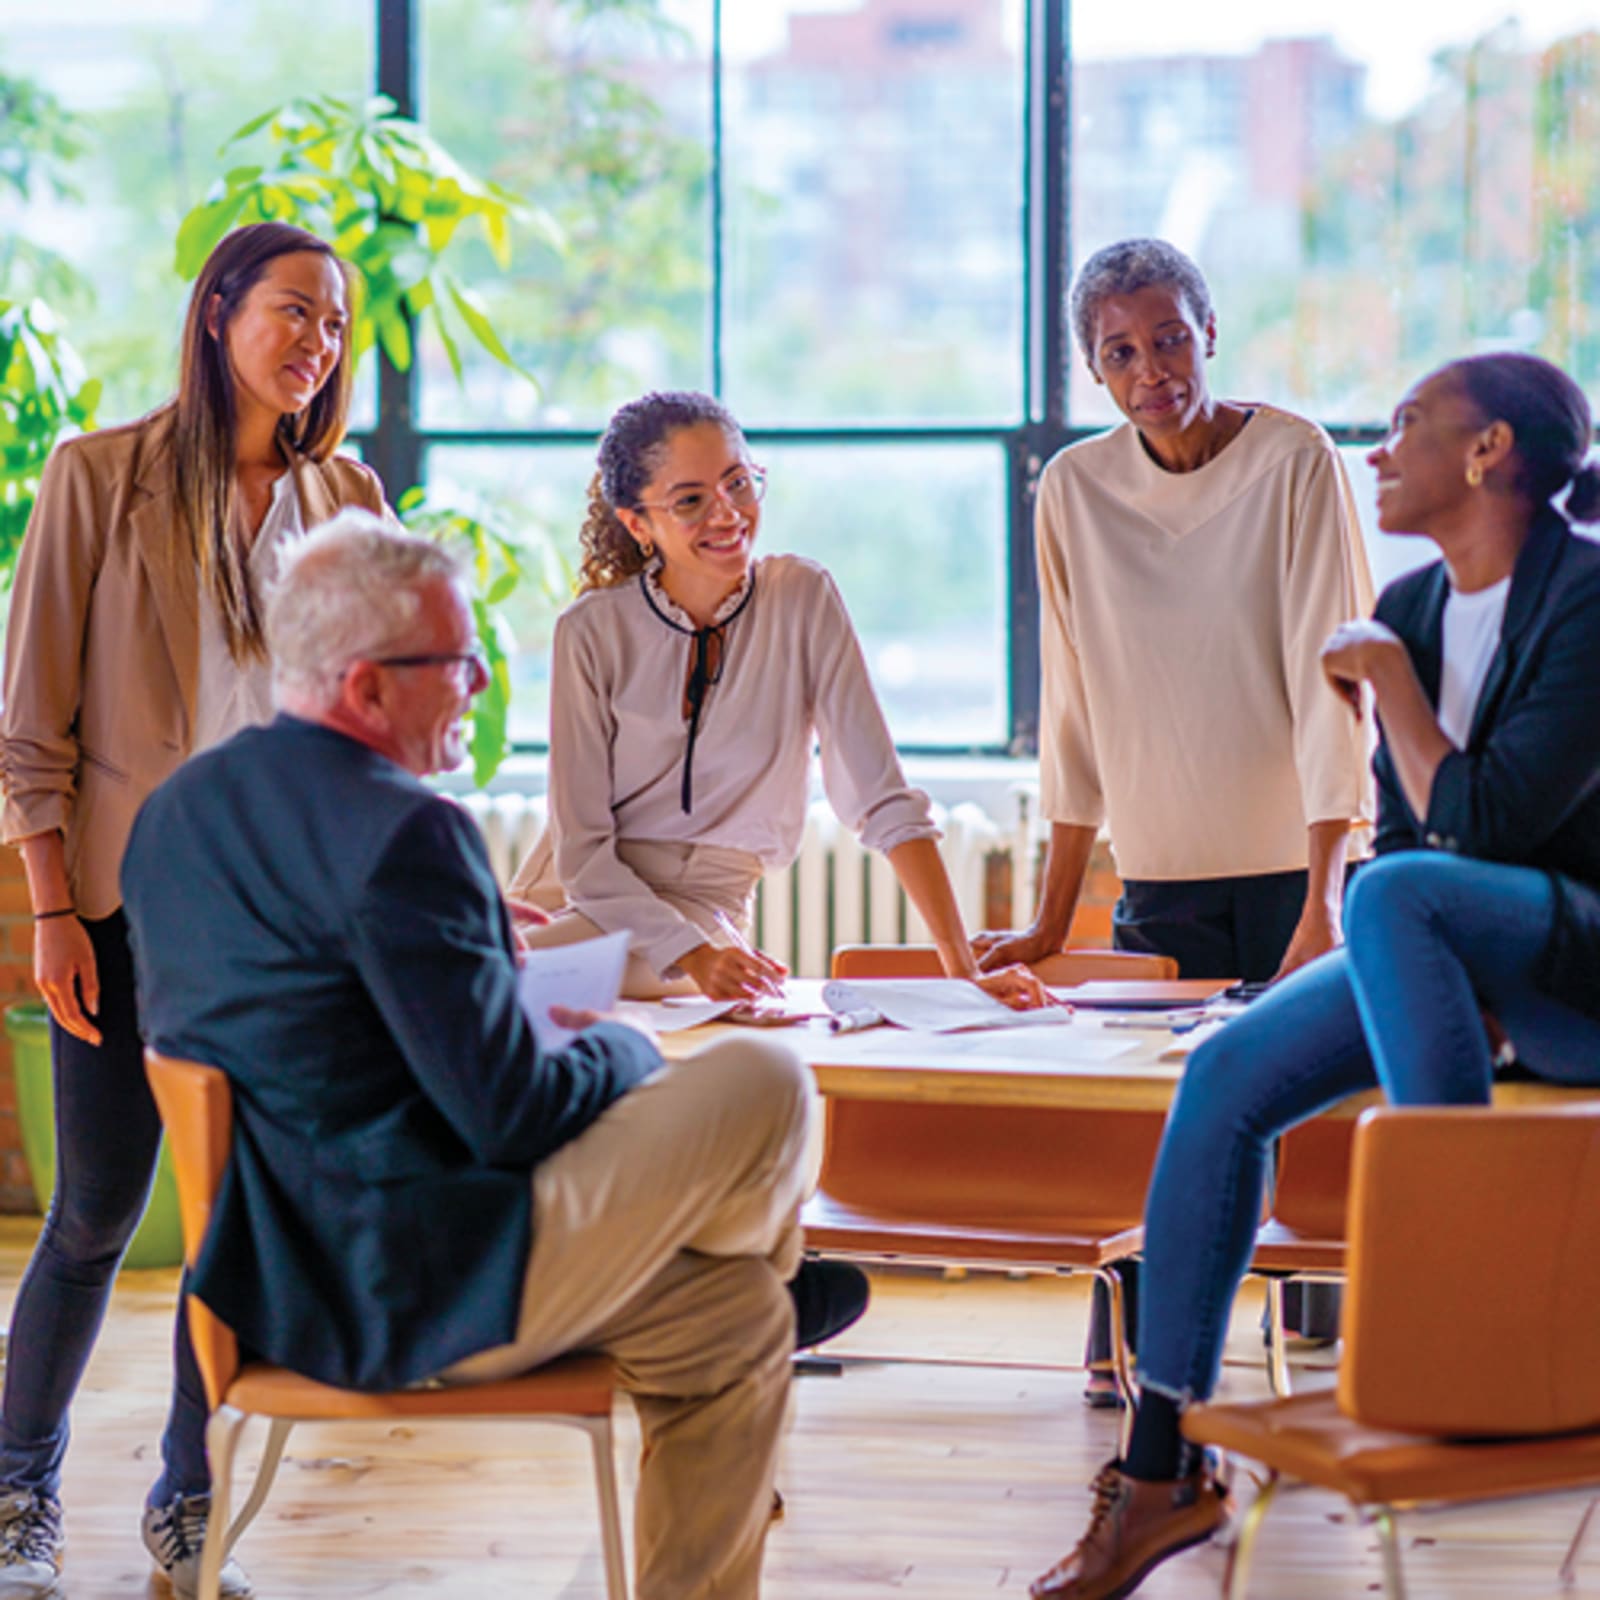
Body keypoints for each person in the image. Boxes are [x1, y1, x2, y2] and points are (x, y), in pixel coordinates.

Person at [121, 517, 817, 1600]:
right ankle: (743, 1243)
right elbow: (513, 1114)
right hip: (421, 1278)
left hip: (281, 1277)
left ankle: (742, 1277)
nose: (483, 682)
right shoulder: (407, 834)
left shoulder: (176, 812)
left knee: (735, 1323)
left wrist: (468, 952)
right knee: (766, 1081)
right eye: (456, 662)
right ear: (366, 688)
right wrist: (622, 1048)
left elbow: (313, 1010)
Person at [1027, 350, 1600, 1600]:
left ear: (1490, 450)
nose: (1379, 453)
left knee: (1390, 894)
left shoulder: (1585, 601)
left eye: (1407, 426)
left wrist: (1386, 688)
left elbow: (1492, 821)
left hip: (1574, 970)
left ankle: (1460, 1312)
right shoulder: (1410, 611)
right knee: (1227, 1072)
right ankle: (1160, 1465)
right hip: (1444, 944)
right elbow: (1409, 839)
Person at [0, 221, 385, 1598]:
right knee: (99, 1206)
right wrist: (50, 913)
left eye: (335, 324)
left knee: (232, 1219)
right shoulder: (96, 477)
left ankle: (188, 1493)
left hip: (280, 930)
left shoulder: (346, 496)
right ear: (219, 309)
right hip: (117, 910)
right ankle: (16, 1489)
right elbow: (29, 725)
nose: (316, 343)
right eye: (293, 311)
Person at [975, 237, 1376, 1390]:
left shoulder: (1295, 458)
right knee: (1165, 1116)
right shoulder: (1074, 489)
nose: (1150, 367)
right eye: (1119, 352)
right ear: (1092, 371)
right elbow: (1073, 704)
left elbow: (1328, 688)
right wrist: (1053, 922)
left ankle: (1314, 1313)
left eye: (1166, 338)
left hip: (1298, 864)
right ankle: (1144, 1351)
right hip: (1162, 862)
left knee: (1315, 1101)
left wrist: (1325, 896)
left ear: (1209, 329)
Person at [507, 389, 1049, 1014]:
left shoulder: (802, 597)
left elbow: (884, 801)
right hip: (579, 899)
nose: (728, 514)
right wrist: (691, 953)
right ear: (638, 523)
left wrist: (964, 972)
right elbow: (582, 855)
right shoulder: (590, 630)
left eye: (738, 483)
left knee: (480, 981)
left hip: (707, 908)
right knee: (480, 980)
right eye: (690, 501)